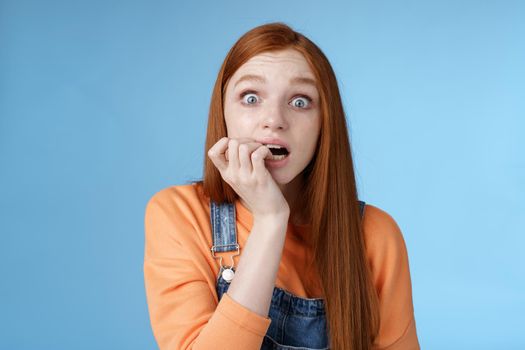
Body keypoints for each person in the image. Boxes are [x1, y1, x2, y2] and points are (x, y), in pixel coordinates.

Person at [143, 22, 420, 350]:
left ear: (323, 124)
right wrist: (271, 219)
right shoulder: (179, 214)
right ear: (223, 113)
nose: (274, 119)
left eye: (300, 101)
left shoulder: (375, 235)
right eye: (250, 98)